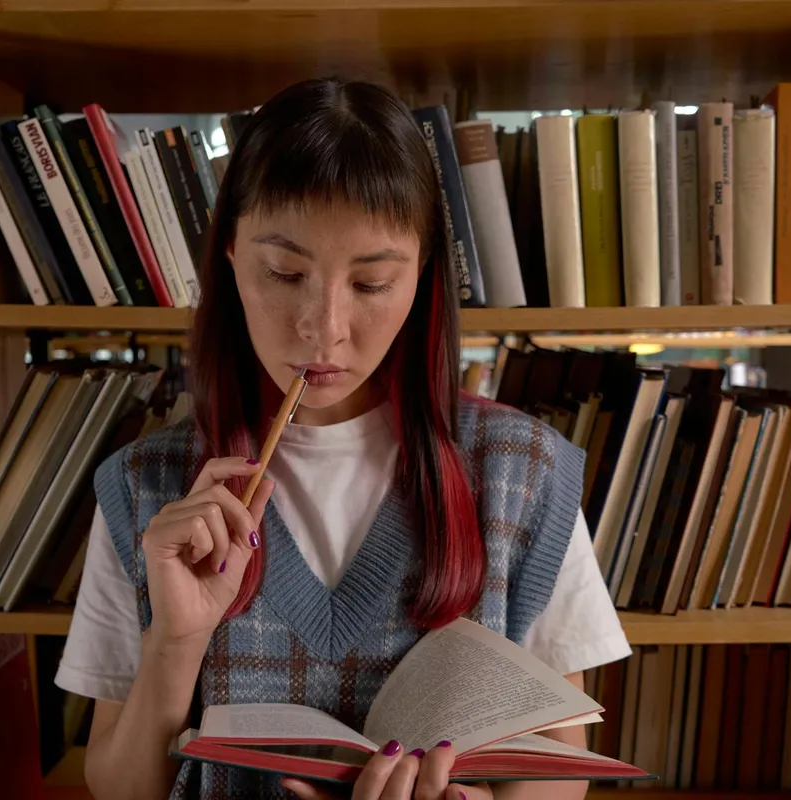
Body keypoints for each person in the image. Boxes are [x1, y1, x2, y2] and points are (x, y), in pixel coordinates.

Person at [54, 77, 631, 800]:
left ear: (420, 278)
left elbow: (554, 768)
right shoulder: (145, 487)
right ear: (230, 255)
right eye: (285, 272)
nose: (322, 327)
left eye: (371, 284)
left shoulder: (525, 472)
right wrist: (176, 640)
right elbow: (119, 788)